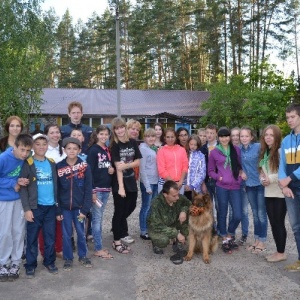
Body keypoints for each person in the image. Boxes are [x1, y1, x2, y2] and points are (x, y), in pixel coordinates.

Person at [20, 134, 58, 278]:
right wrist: (27, 209)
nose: (41, 147)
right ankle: (30, 264)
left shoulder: (51, 162)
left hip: (50, 207)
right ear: (32, 146)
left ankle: (49, 261)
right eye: (38, 144)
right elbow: (23, 188)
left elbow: (56, 185)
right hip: (35, 207)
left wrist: (57, 206)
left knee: (50, 236)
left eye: (44, 144)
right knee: (32, 237)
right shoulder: (28, 163)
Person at [56, 137, 93, 270]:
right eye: (69, 148)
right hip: (65, 208)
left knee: (81, 232)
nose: (72, 151)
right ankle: (68, 258)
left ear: (79, 150)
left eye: (75, 148)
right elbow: (57, 190)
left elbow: (88, 189)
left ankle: (83, 256)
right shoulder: (59, 167)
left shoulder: (85, 166)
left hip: (79, 209)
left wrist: (85, 209)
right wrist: (58, 209)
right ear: (64, 150)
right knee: (66, 234)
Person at [0, 133, 33, 282]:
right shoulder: (3, 158)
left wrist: (24, 181)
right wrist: (13, 183)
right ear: (15, 146)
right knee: (5, 232)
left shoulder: (27, 160)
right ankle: (3, 262)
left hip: (20, 200)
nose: (25, 154)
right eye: (22, 150)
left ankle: (15, 262)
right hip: (4, 200)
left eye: (27, 150)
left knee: (19, 231)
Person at [208, 127, 242, 253]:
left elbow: (240, 166)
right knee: (222, 213)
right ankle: (224, 237)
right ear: (218, 137)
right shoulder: (214, 152)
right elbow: (210, 171)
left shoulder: (236, 150)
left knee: (237, 214)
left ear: (229, 137)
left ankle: (230, 232)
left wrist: (240, 176)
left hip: (235, 187)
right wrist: (219, 177)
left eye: (226, 136)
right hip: (221, 186)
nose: (224, 139)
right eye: (222, 136)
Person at [110, 117, 142, 252]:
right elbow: (118, 167)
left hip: (131, 180)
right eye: (117, 128)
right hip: (119, 183)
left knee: (132, 205)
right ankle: (116, 240)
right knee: (119, 211)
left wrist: (127, 164)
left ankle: (118, 226)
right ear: (114, 131)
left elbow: (138, 162)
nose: (120, 130)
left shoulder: (132, 142)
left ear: (125, 127)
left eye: (121, 127)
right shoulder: (115, 146)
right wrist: (121, 188)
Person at [259, 125, 287, 263]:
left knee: (279, 223)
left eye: (271, 135)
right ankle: (278, 251)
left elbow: (284, 173)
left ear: (277, 137)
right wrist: (262, 179)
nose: (268, 137)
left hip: (280, 193)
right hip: (268, 192)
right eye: (266, 135)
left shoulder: (281, 152)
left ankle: (281, 253)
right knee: (273, 223)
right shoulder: (265, 152)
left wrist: (270, 179)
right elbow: (263, 172)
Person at [87, 125, 114, 259]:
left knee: (99, 217)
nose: (104, 136)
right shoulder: (93, 150)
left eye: (106, 134)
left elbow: (105, 166)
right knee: (97, 219)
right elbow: (89, 172)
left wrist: (111, 169)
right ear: (97, 135)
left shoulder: (106, 150)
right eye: (101, 134)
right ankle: (98, 248)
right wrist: (92, 191)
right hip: (97, 190)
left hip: (105, 189)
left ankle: (96, 242)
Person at [38, 124, 65, 259]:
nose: (55, 135)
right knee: (44, 224)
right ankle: (44, 251)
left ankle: (58, 248)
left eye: (57, 132)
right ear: (46, 135)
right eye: (52, 132)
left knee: (59, 221)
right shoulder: (42, 151)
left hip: (62, 191)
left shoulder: (64, 149)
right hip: (47, 191)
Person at [279, 103, 300, 272]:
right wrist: (283, 184)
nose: (289, 120)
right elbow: (282, 166)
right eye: (287, 118)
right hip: (290, 189)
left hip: (293, 182)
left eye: (292, 117)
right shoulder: (286, 140)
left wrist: (290, 178)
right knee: (296, 226)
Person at [147, 180, 190, 265]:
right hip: (158, 228)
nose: (177, 198)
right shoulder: (156, 203)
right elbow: (157, 225)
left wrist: (183, 211)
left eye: (178, 194)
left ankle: (177, 243)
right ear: (165, 195)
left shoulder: (178, 197)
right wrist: (176, 234)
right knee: (163, 241)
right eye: (174, 196)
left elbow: (188, 203)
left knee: (186, 222)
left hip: (173, 223)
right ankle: (155, 243)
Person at [240, 126, 267, 253]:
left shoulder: (257, 147)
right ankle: (256, 240)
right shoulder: (239, 149)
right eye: (242, 136)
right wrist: (241, 171)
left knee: (261, 214)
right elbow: (237, 164)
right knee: (255, 214)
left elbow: (265, 159)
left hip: (260, 184)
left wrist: (263, 171)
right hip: (249, 185)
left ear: (251, 137)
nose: (244, 138)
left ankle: (262, 241)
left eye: (246, 136)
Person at [138, 128, 159, 240]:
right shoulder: (143, 149)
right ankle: (143, 230)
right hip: (148, 182)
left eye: (153, 136)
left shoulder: (153, 148)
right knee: (146, 206)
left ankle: (149, 227)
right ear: (144, 137)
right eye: (148, 136)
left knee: (152, 206)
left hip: (155, 181)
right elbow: (142, 169)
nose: (151, 138)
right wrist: (146, 186)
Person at [157, 128, 188, 194]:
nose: (170, 139)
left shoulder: (182, 150)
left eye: (172, 137)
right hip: (165, 183)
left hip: (180, 184)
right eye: (168, 137)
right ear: (165, 138)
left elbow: (185, 166)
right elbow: (161, 169)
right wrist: (173, 183)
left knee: (178, 203)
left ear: (176, 137)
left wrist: (181, 181)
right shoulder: (161, 151)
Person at [200, 124, 218, 230]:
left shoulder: (221, 147)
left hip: (218, 181)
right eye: (207, 133)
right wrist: (202, 183)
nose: (209, 135)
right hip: (206, 181)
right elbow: (200, 168)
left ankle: (220, 229)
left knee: (220, 207)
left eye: (212, 133)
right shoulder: (202, 149)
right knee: (207, 206)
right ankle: (210, 228)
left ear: (216, 133)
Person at [185, 135, 206, 199]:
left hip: (196, 189)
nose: (193, 146)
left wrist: (192, 185)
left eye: (195, 145)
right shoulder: (184, 154)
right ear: (188, 144)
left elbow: (202, 173)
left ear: (198, 145)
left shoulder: (201, 156)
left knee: (195, 207)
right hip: (184, 187)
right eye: (191, 144)